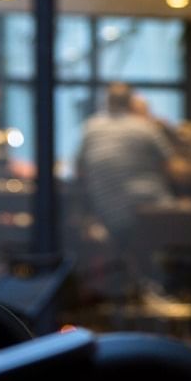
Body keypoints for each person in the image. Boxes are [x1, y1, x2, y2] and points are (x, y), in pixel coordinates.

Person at [76, 83, 175, 255]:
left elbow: (79, 169)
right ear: (131, 102)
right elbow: (173, 169)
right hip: (152, 210)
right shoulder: (144, 127)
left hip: (108, 215)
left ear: (106, 102)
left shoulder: (90, 127)